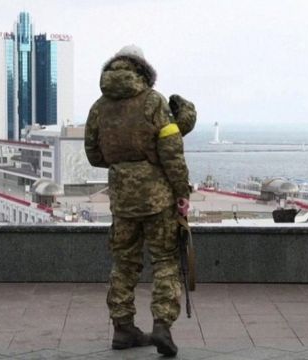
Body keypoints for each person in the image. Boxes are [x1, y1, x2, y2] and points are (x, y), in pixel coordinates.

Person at [84, 44, 195, 356]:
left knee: (124, 262)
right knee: (164, 260)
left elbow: (93, 155)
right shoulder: (153, 102)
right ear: (142, 69)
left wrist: (124, 165)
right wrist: (182, 193)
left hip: (122, 198)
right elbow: (171, 152)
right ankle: (161, 325)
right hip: (158, 198)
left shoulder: (99, 107)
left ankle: (123, 329)